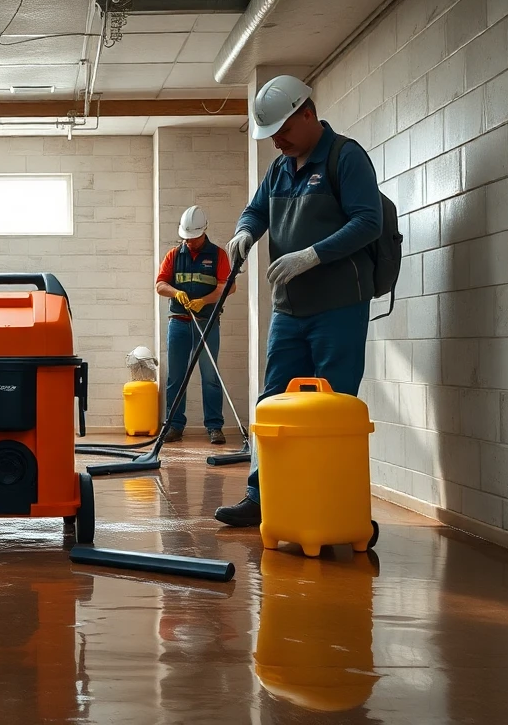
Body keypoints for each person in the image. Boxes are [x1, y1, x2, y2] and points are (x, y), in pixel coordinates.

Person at [214, 74, 383, 528]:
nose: (277, 143)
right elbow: (257, 209)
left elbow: (369, 222)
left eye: (283, 131)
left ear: (307, 113)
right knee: (273, 402)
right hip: (290, 308)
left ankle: (328, 502)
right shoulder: (280, 169)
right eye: (270, 136)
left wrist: (313, 255)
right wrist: (245, 231)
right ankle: (262, 496)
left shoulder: (345, 157)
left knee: (332, 407)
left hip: (339, 306)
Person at [154, 205, 234, 445]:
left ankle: (214, 427)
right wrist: (175, 292)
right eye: (186, 238)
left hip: (206, 323)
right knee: (176, 377)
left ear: (204, 231)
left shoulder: (218, 255)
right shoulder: (173, 255)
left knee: (210, 375)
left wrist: (205, 301)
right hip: (178, 323)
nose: (189, 242)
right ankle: (174, 425)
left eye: (193, 238)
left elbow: (228, 286)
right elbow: (160, 284)